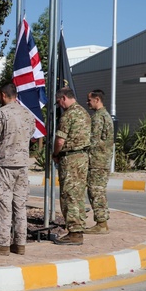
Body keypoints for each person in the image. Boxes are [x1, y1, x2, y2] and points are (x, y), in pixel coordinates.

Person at [0, 83, 37, 256]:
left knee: (4, 204)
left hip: (5, 164)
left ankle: (2, 243)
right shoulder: (28, 114)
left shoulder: (2, 112)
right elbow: (31, 136)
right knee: (20, 204)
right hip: (22, 164)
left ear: (3, 95)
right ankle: (20, 243)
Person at [53, 86, 92, 245]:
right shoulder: (85, 113)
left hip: (70, 159)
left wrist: (55, 154)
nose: (59, 105)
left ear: (63, 98)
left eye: (59, 102)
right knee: (78, 194)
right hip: (83, 158)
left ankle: (74, 233)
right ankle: (79, 227)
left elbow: (60, 140)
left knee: (69, 195)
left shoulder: (67, 116)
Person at [86, 89, 114, 234]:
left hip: (97, 161)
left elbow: (93, 140)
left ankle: (101, 224)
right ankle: (102, 222)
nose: (87, 103)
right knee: (99, 191)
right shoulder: (105, 115)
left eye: (89, 100)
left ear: (97, 99)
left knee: (95, 191)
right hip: (103, 160)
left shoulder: (98, 117)